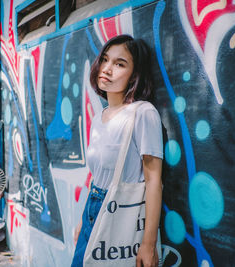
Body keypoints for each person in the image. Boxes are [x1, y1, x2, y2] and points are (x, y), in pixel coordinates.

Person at [71, 35, 163, 267]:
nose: (107, 69)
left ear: (134, 75)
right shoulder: (99, 116)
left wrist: (148, 244)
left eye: (120, 64)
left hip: (122, 215)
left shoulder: (143, 113)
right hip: (93, 210)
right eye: (105, 60)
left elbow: (154, 181)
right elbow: (97, 176)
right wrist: (84, 220)